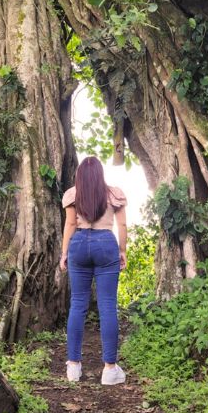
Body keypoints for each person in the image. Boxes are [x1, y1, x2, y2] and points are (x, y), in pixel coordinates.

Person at [59, 156, 128, 385]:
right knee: (108, 305)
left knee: (78, 304)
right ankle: (109, 369)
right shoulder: (113, 194)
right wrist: (122, 251)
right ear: (100, 174)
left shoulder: (73, 195)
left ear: (80, 175)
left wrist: (64, 253)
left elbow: (70, 224)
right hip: (106, 244)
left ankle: (74, 367)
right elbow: (122, 225)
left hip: (78, 243)